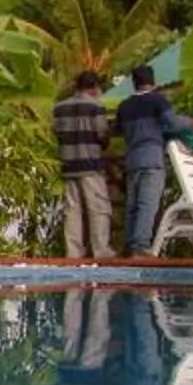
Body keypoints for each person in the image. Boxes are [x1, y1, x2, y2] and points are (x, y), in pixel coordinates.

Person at [112, 63, 175, 256]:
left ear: (134, 83)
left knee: (133, 205)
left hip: (132, 160)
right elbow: (173, 123)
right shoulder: (158, 101)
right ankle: (140, 247)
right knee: (147, 204)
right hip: (152, 159)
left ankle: (130, 247)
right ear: (153, 82)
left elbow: (116, 130)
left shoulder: (124, 106)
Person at [51, 69, 114, 258]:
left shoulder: (59, 108)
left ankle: (73, 253)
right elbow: (101, 134)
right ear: (94, 87)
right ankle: (101, 250)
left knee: (73, 211)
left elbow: (57, 133)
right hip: (91, 165)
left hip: (69, 165)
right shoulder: (96, 106)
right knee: (98, 208)